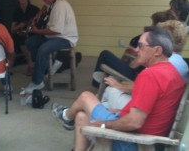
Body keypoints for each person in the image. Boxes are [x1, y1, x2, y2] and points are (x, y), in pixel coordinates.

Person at [52, 26, 186, 151]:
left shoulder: (151, 75)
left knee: (86, 96)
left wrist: (104, 124)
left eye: (140, 46)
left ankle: (66, 116)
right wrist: (122, 112)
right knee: (82, 116)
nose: (136, 50)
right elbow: (153, 110)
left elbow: (134, 122)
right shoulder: (173, 73)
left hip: (134, 142)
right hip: (150, 140)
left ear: (157, 51)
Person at [102, 19, 189, 110]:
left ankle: (99, 118)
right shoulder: (181, 63)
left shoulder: (162, 63)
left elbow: (143, 91)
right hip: (165, 107)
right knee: (107, 103)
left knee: (110, 91)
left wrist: (119, 86)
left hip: (150, 108)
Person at [92, 9, 177, 87]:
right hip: (141, 72)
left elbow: (133, 65)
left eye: (153, 23)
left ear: (158, 24)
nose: (151, 25)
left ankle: (96, 83)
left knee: (105, 54)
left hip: (136, 75)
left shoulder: (153, 43)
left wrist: (132, 58)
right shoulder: (168, 43)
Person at [24, 0, 78, 93]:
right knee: (30, 42)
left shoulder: (60, 5)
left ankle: (37, 82)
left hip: (65, 38)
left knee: (43, 49)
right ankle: (48, 67)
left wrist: (37, 31)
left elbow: (56, 30)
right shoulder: (53, 5)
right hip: (54, 36)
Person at [11, 0, 39, 76]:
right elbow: (12, 29)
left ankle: (28, 64)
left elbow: (39, 24)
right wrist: (20, 26)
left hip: (33, 32)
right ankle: (29, 64)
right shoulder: (16, 11)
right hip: (20, 33)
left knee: (19, 39)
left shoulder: (34, 9)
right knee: (15, 38)